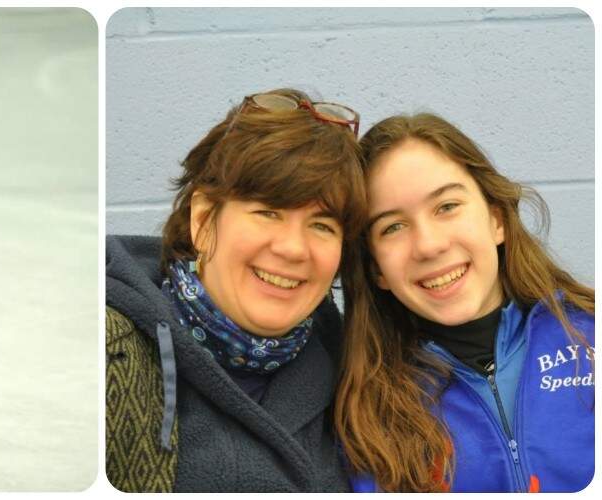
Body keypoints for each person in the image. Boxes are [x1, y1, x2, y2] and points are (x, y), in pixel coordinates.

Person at [105, 88, 367, 492]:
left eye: (321, 225)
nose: (293, 248)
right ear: (204, 218)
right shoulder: (108, 355)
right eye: (268, 212)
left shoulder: (352, 373)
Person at [335, 113, 594, 492]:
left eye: (447, 206)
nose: (429, 245)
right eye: (392, 227)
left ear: (497, 220)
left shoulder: (589, 337)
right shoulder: (361, 413)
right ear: (376, 271)